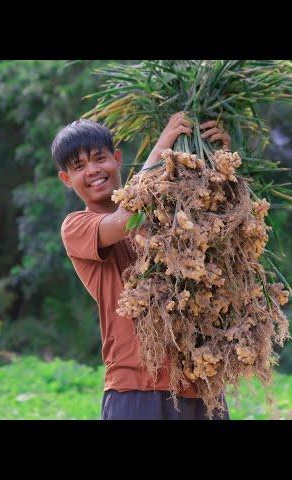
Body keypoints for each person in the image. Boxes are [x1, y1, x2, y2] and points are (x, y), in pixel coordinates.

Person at [53, 112, 232, 420]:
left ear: (117, 159)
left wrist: (218, 159)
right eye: (79, 166)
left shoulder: (169, 214)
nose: (93, 170)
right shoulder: (77, 226)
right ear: (66, 179)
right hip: (137, 390)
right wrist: (165, 144)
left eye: (99, 159)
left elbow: (221, 232)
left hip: (202, 382)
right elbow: (125, 218)